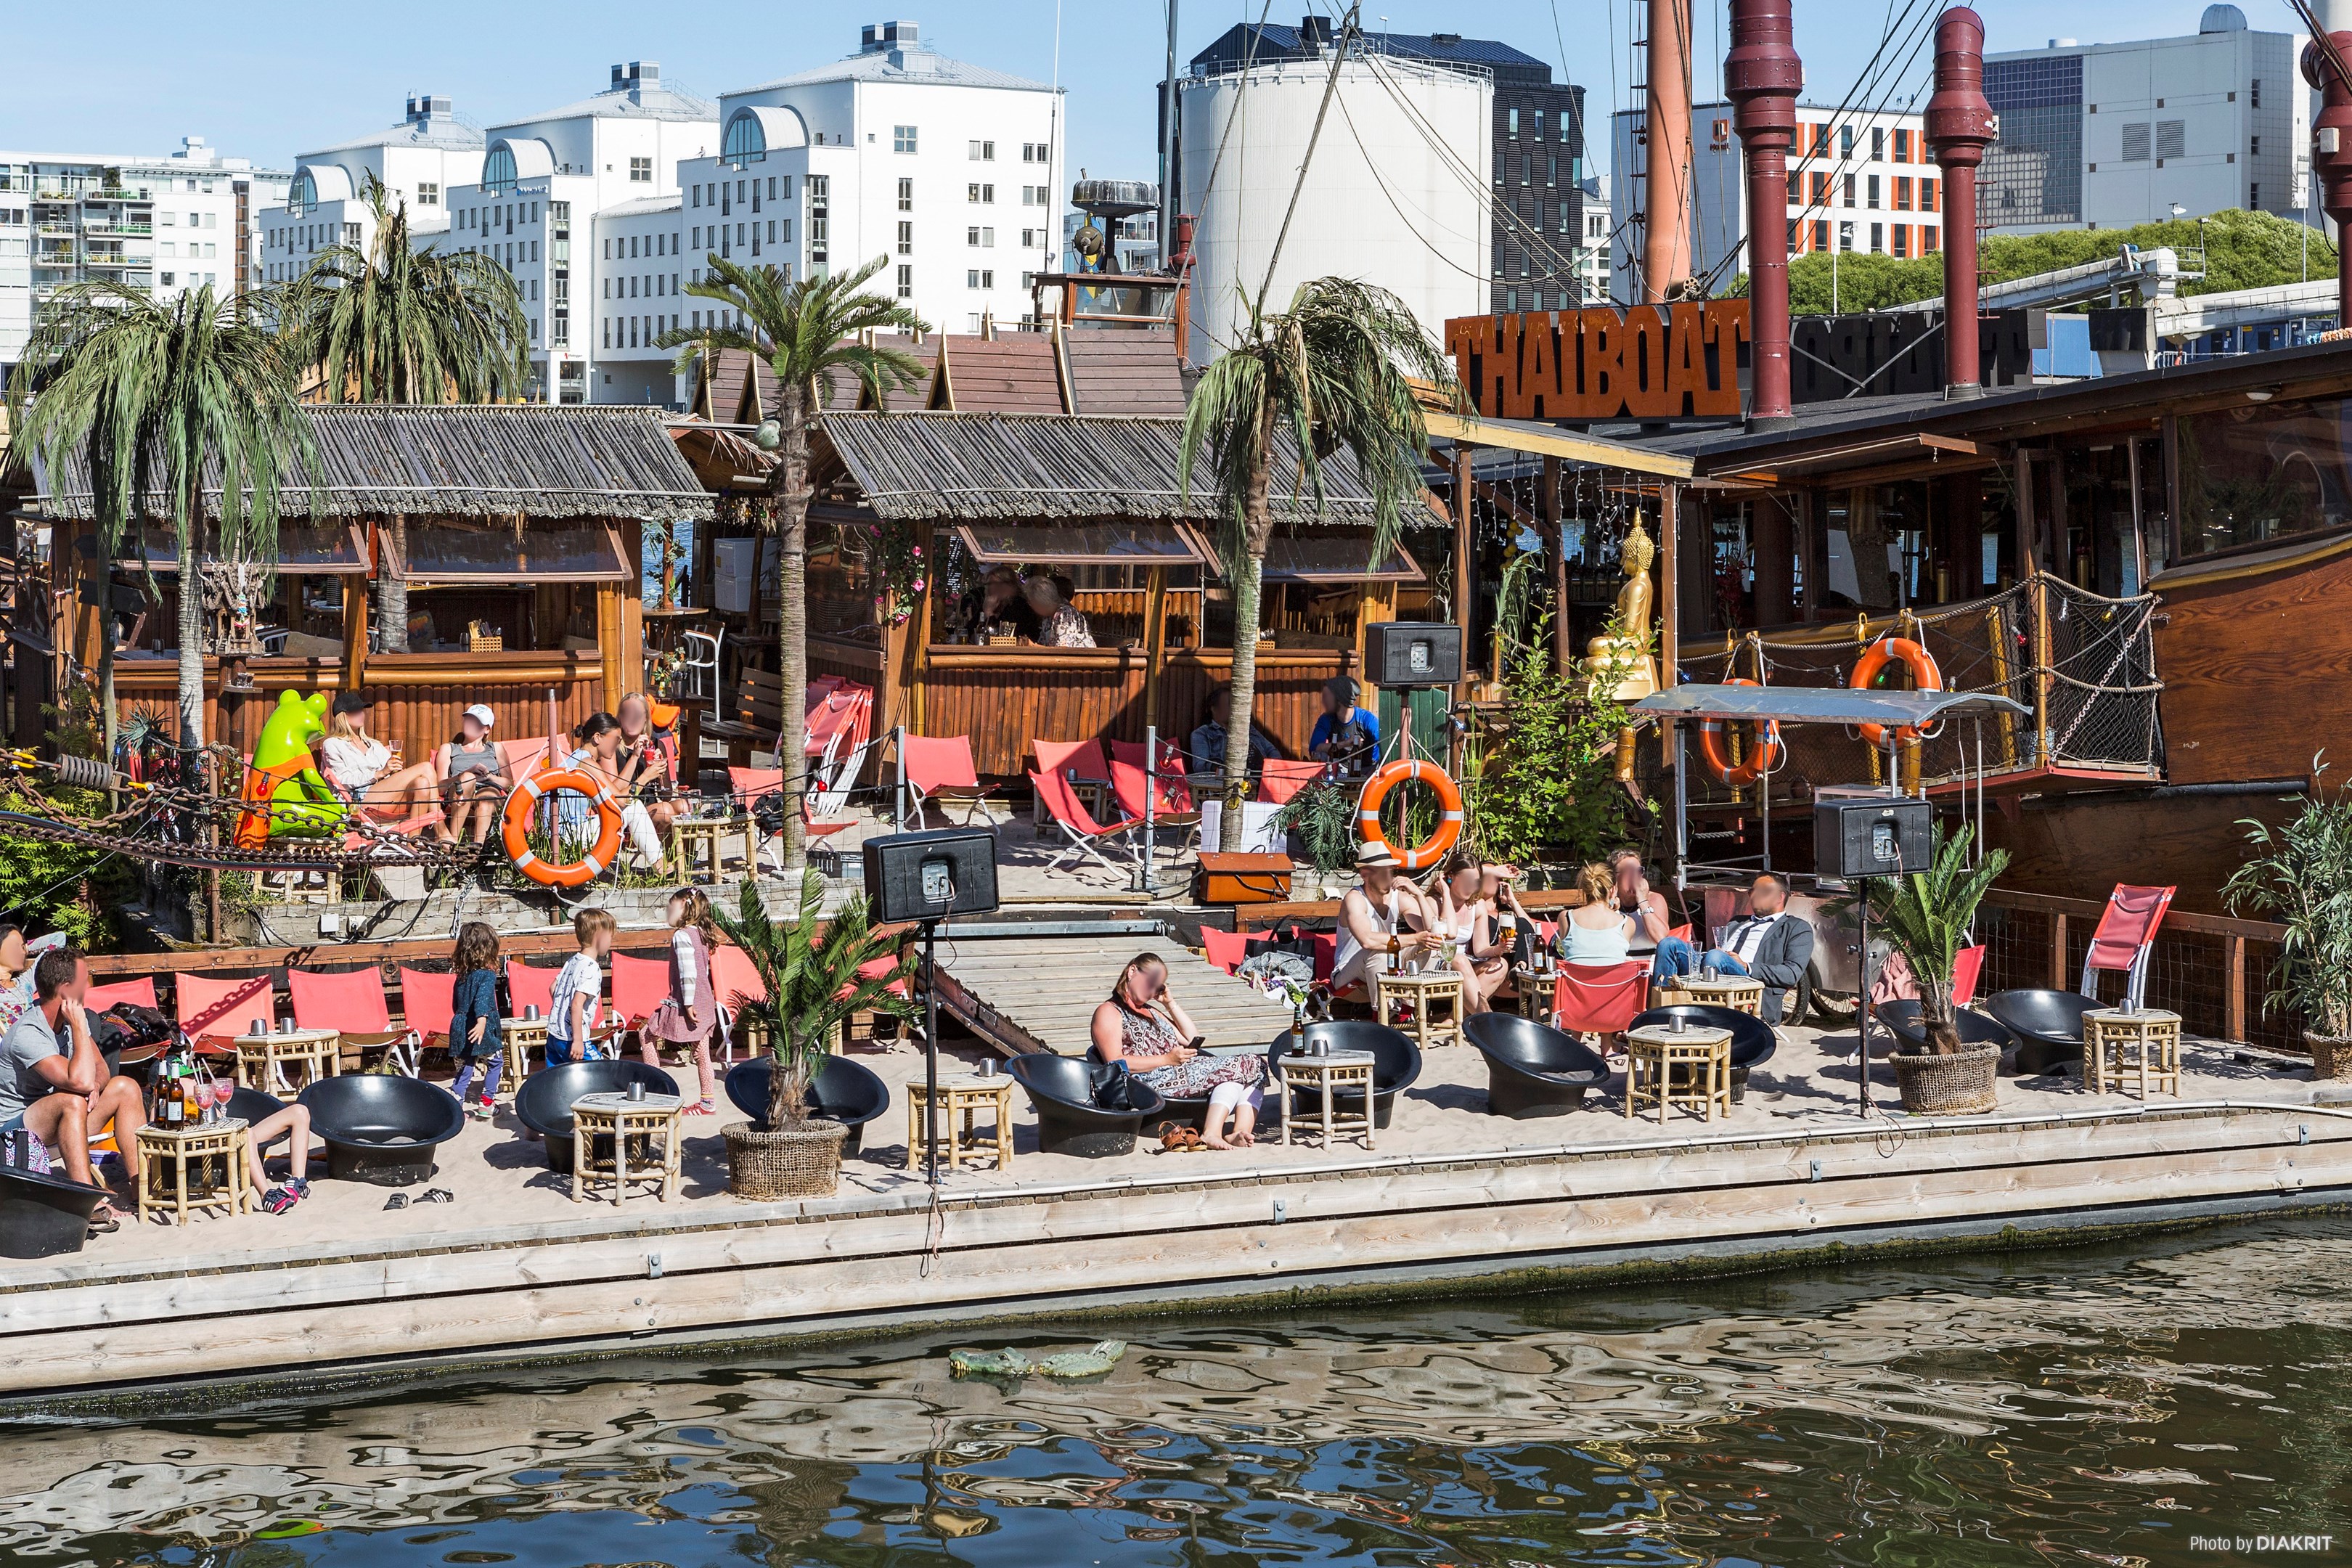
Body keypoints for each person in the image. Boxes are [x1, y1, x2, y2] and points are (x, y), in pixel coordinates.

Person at [0, 950, 144, 1229]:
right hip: (13, 1132)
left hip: (62, 1121)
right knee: (71, 1101)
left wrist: (94, 1086)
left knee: (125, 1086)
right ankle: (85, 1201)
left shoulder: (69, 1021)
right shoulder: (29, 1032)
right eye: (84, 980)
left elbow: (100, 1070)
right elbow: (78, 1082)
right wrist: (80, 1031)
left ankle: (142, 1187)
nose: (88, 987)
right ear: (67, 990)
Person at [1090, 954, 1267, 1150]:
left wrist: (1169, 1003)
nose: (1152, 991)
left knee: (1257, 1065)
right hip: (1147, 1082)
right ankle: (1211, 1133)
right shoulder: (1109, 1011)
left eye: (1158, 987)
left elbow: (1192, 1039)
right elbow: (1115, 1062)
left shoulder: (1152, 1011)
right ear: (1132, 971)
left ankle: (1239, 1131)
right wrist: (1166, 1059)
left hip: (1178, 1070)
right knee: (1242, 1065)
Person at [1655, 871, 1816, 1025]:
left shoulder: (1796, 928)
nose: (1754, 896)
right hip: (1712, 968)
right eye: (1752, 891)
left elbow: (1791, 974)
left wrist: (1747, 966)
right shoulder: (1737, 921)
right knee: (1668, 944)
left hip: (1749, 981)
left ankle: (1704, 1019)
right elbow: (1714, 951)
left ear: (1780, 897)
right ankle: (1662, 1015)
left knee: (1716, 957)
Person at [640, 888, 722, 1115]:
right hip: (706, 1001)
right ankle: (707, 1101)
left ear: (685, 908)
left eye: (671, 906)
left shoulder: (683, 935)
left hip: (686, 1003)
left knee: (647, 1034)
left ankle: (657, 1093)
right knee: (702, 1052)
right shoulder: (702, 935)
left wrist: (687, 1004)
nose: (668, 910)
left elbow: (688, 972)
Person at [556, 712, 666, 870]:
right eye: (616, 740)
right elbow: (621, 799)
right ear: (598, 738)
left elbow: (614, 789)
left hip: (567, 830)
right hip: (570, 834)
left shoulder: (581, 758)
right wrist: (646, 776)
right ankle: (662, 868)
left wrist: (635, 756)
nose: (617, 744)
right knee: (634, 808)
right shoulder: (586, 763)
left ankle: (660, 866)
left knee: (632, 806)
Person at [1329, 842, 1440, 997]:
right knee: (1380, 953)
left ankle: (1411, 1005)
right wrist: (1415, 938)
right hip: (1348, 976)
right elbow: (1367, 940)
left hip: (1389, 968)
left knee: (1429, 948)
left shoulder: (1399, 898)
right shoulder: (1355, 899)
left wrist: (1419, 895)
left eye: (1390, 871)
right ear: (1364, 874)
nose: (1387, 877)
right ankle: (1386, 1013)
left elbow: (1431, 932)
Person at [322, 692, 440, 812]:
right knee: (426, 767)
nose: (361, 714)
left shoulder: (374, 745)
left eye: (361, 710)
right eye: (355, 711)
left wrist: (395, 772)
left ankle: (415, 832)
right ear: (342, 716)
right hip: (357, 801)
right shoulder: (333, 744)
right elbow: (343, 781)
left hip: (385, 796)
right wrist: (378, 774)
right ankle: (440, 827)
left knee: (422, 783)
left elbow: (389, 773)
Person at [1436, 851, 1512, 1014]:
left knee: (1500, 965)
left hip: (1464, 964)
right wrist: (1446, 894)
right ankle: (1486, 1018)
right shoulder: (1434, 902)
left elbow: (1480, 949)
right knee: (1461, 960)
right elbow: (1450, 932)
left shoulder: (1477, 906)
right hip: (1436, 962)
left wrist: (1498, 948)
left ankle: (1454, 1018)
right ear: (1450, 877)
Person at [448, 921, 505, 1120]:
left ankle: (456, 1108)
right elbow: (482, 999)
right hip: (482, 1029)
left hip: (461, 1025)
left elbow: (456, 1004)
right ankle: (487, 1103)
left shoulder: (461, 976)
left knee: (466, 1067)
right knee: (496, 1062)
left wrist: (462, 1021)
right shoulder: (487, 975)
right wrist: (481, 1022)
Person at [548, 907, 618, 1066]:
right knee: (602, 1071)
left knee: (558, 1079)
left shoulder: (572, 961)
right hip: (573, 1039)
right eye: (610, 938)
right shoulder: (591, 968)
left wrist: (563, 1016)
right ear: (599, 937)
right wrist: (578, 1040)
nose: (611, 942)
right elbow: (577, 1003)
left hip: (554, 1036)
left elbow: (553, 988)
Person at [435, 705, 511, 846]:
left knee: (485, 801)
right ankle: (454, 842)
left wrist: (490, 777)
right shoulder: (449, 748)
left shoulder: (496, 748)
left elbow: (510, 783)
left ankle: (477, 851)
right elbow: (440, 787)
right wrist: (466, 773)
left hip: (489, 789)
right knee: (468, 778)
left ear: (487, 729)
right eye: (469, 719)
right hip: (459, 791)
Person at [616, 693, 684, 838]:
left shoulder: (652, 745)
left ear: (646, 719)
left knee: (684, 807)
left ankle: (685, 858)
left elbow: (666, 795)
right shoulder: (614, 748)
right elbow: (616, 793)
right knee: (665, 811)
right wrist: (635, 757)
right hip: (628, 810)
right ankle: (664, 857)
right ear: (620, 718)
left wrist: (660, 772)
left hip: (651, 805)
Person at [1189, 687, 1282, 777]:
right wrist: (1223, 769)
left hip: (1263, 780)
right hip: (1230, 783)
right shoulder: (1202, 734)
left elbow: (1271, 750)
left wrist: (1273, 769)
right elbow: (1200, 766)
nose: (1235, 708)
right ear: (1214, 709)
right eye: (1230, 704)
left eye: (1236, 704)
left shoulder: (1248, 728)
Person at [1560, 862, 1636, 965]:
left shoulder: (1566, 918)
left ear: (1585, 889)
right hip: (1614, 981)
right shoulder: (1627, 923)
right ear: (1613, 890)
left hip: (1577, 981)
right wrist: (1611, 905)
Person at [1609, 849, 1675, 960]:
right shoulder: (1606, 903)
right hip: (1617, 968)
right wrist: (1610, 908)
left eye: (1639, 871)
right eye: (1628, 872)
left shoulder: (1654, 899)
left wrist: (1643, 901)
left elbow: (1660, 938)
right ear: (1613, 877)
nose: (1634, 877)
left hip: (1651, 969)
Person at [1308, 678, 1380, 776]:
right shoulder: (1327, 719)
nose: (1323, 702)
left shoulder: (1366, 719)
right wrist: (1345, 744)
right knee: (1321, 756)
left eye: (1326, 697)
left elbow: (1385, 741)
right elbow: (1314, 748)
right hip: (1338, 769)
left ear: (1339, 699)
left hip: (1369, 770)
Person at [955, 563, 1038, 642]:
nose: (991, 588)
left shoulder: (1019, 605)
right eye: (989, 584)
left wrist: (989, 613)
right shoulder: (990, 603)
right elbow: (969, 631)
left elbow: (1003, 637)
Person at [1025, 576, 1095, 648]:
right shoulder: (1047, 618)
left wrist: (1032, 645)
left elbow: (1062, 650)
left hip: (1081, 658)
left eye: (1031, 602)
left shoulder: (1065, 614)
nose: (1031, 606)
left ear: (1040, 601)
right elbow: (1043, 645)